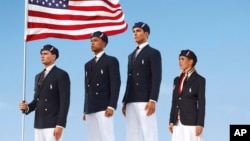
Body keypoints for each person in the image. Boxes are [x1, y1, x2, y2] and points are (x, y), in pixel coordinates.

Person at [19, 44, 71, 141]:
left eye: (46, 54)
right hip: (39, 123)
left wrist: (60, 125)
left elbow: (65, 102)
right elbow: (37, 100)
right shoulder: (38, 76)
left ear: (54, 56)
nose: (42, 56)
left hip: (53, 124)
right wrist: (27, 107)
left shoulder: (61, 75)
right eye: (41, 54)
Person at [122, 22, 162, 141]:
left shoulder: (153, 53)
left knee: (150, 133)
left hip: (145, 100)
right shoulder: (131, 55)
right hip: (131, 100)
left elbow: (157, 77)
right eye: (133, 31)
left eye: (138, 31)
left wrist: (153, 99)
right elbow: (129, 79)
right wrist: (125, 101)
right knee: (131, 134)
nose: (135, 33)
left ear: (146, 33)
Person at [83, 31, 121, 141]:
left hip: (104, 106)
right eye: (91, 41)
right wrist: (85, 109)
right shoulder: (87, 64)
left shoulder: (111, 61)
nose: (92, 43)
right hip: (90, 107)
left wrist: (112, 105)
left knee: (106, 137)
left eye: (95, 40)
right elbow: (87, 88)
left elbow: (116, 83)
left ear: (104, 43)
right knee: (93, 138)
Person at [168, 49, 206, 141]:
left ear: (190, 61)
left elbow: (201, 103)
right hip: (177, 123)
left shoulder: (199, 80)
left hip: (191, 123)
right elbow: (174, 101)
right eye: (179, 59)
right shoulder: (176, 80)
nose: (179, 62)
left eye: (182, 59)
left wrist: (200, 124)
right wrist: (171, 121)